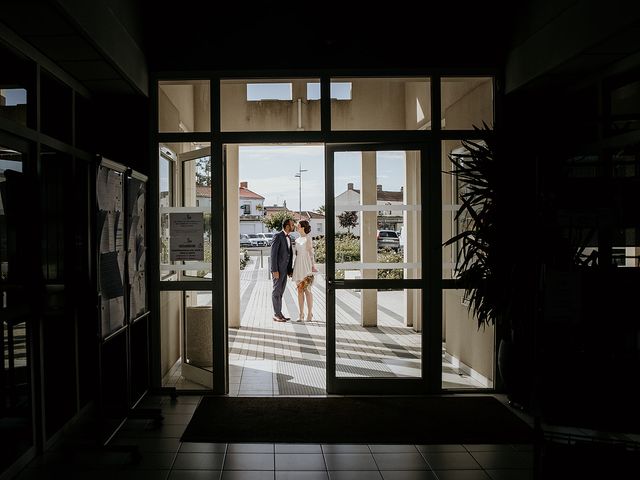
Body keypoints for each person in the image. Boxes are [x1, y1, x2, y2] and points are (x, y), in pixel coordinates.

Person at [270, 218, 295, 322]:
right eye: (292, 224)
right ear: (287, 226)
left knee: (281, 292)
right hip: (278, 270)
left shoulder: (289, 237)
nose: (294, 226)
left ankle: (279, 313)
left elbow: (289, 254)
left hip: (285, 270)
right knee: (276, 291)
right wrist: (274, 270)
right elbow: (273, 254)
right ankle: (276, 314)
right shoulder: (278, 236)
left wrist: (289, 270)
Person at [292, 220, 316, 321]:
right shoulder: (297, 240)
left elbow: (311, 254)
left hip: (306, 266)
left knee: (307, 290)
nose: (297, 227)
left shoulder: (308, 238)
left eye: (298, 226)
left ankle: (310, 313)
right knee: (300, 290)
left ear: (302, 227)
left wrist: (313, 266)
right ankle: (301, 314)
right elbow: (296, 254)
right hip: (298, 265)